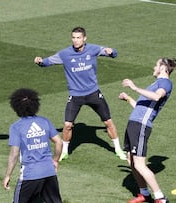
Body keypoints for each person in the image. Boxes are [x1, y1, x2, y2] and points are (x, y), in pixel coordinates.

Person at [34, 26, 126, 161]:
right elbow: (47, 62)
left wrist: (111, 52)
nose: (76, 40)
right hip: (76, 95)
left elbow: (113, 53)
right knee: (67, 125)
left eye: (78, 38)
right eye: (73, 38)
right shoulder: (65, 54)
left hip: (93, 93)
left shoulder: (93, 49)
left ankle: (118, 149)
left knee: (108, 122)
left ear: (84, 38)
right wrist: (40, 61)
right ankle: (64, 152)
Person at [118, 57, 176, 203]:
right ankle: (144, 194)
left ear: (163, 68)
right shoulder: (156, 83)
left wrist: (134, 87)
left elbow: (157, 97)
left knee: (139, 164)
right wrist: (128, 98)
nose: (153, 67)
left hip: (140, 125)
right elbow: (140, 107)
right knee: (131, 161)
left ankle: (160, 197)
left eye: (156, 65)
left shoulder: (165, 83)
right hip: (134, 124)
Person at [3, 88, 63, 203]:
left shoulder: (16, 127)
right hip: (49, 172)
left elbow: (14, 154)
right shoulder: (45, 121)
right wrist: (55, 160)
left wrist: (7, 175)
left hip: (30, 175)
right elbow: (59, 142)